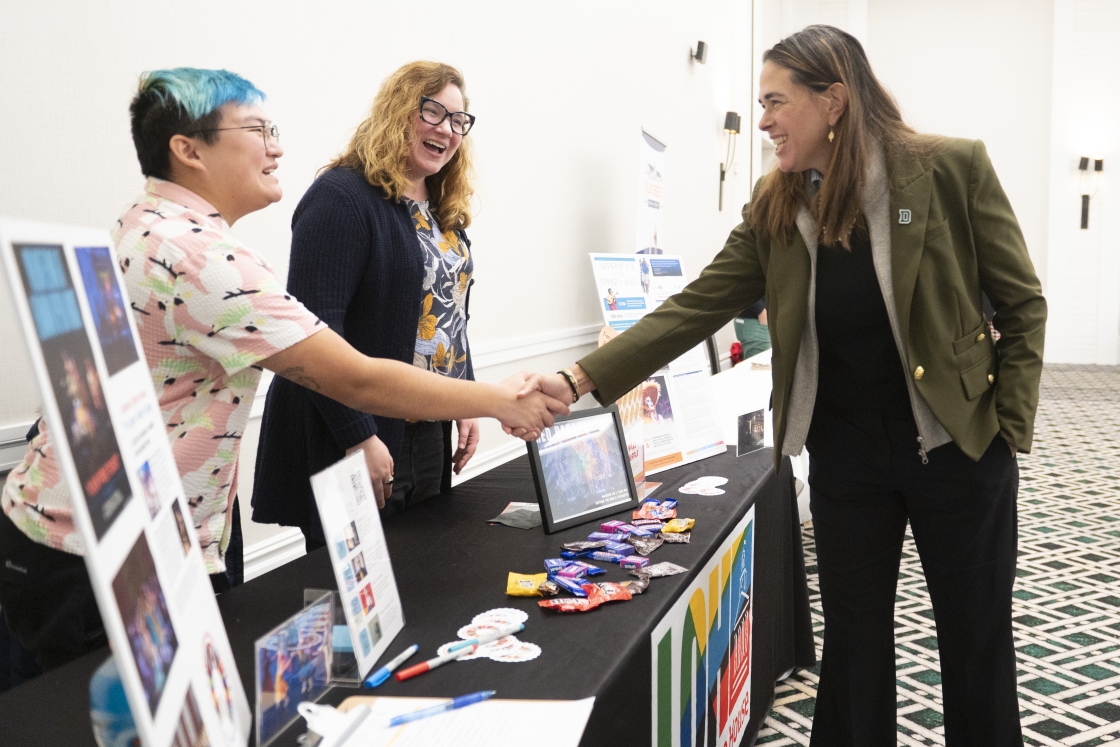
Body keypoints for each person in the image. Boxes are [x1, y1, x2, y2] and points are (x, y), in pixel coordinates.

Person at [531, 26, 1045, 747]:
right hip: (847, 459)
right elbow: (697, 305)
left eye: (776, 100)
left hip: (957, 448)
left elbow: (1023, 304)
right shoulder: (777, 205)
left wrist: (1006, 428)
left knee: (975, 644)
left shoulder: (951, 169)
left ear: (832, 100)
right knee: (855, 649)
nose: (765, 119)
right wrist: (577, 377)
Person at [0, 67, 567, 682]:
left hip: (132, 527)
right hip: (107, 552)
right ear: (187, 150)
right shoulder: (198, 255)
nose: (277, 146)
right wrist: (498, 400)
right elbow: (355, 379)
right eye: (257, 129)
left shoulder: (149, 224)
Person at [252, 62, 482, 548]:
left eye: (458, 120)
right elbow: (314, 335)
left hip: (426, 428)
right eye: (433, 111)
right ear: (398, 112)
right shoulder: (341, 197)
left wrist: (467, 399)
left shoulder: (441, 206)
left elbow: (447, 316)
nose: (446, 129)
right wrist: (358, 436)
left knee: (425, 578)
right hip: (354, 430)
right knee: (356, 600)